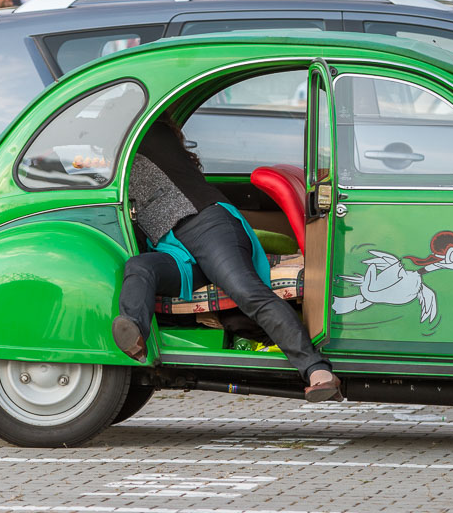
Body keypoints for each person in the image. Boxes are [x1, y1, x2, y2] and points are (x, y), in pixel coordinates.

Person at [112, 117, 343, 403]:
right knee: (140, 267)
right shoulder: (115, 160)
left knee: (245, 290)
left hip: (208, 226)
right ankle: (134, 336)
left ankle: (316, 369)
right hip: (173, 250)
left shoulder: (148, 131)